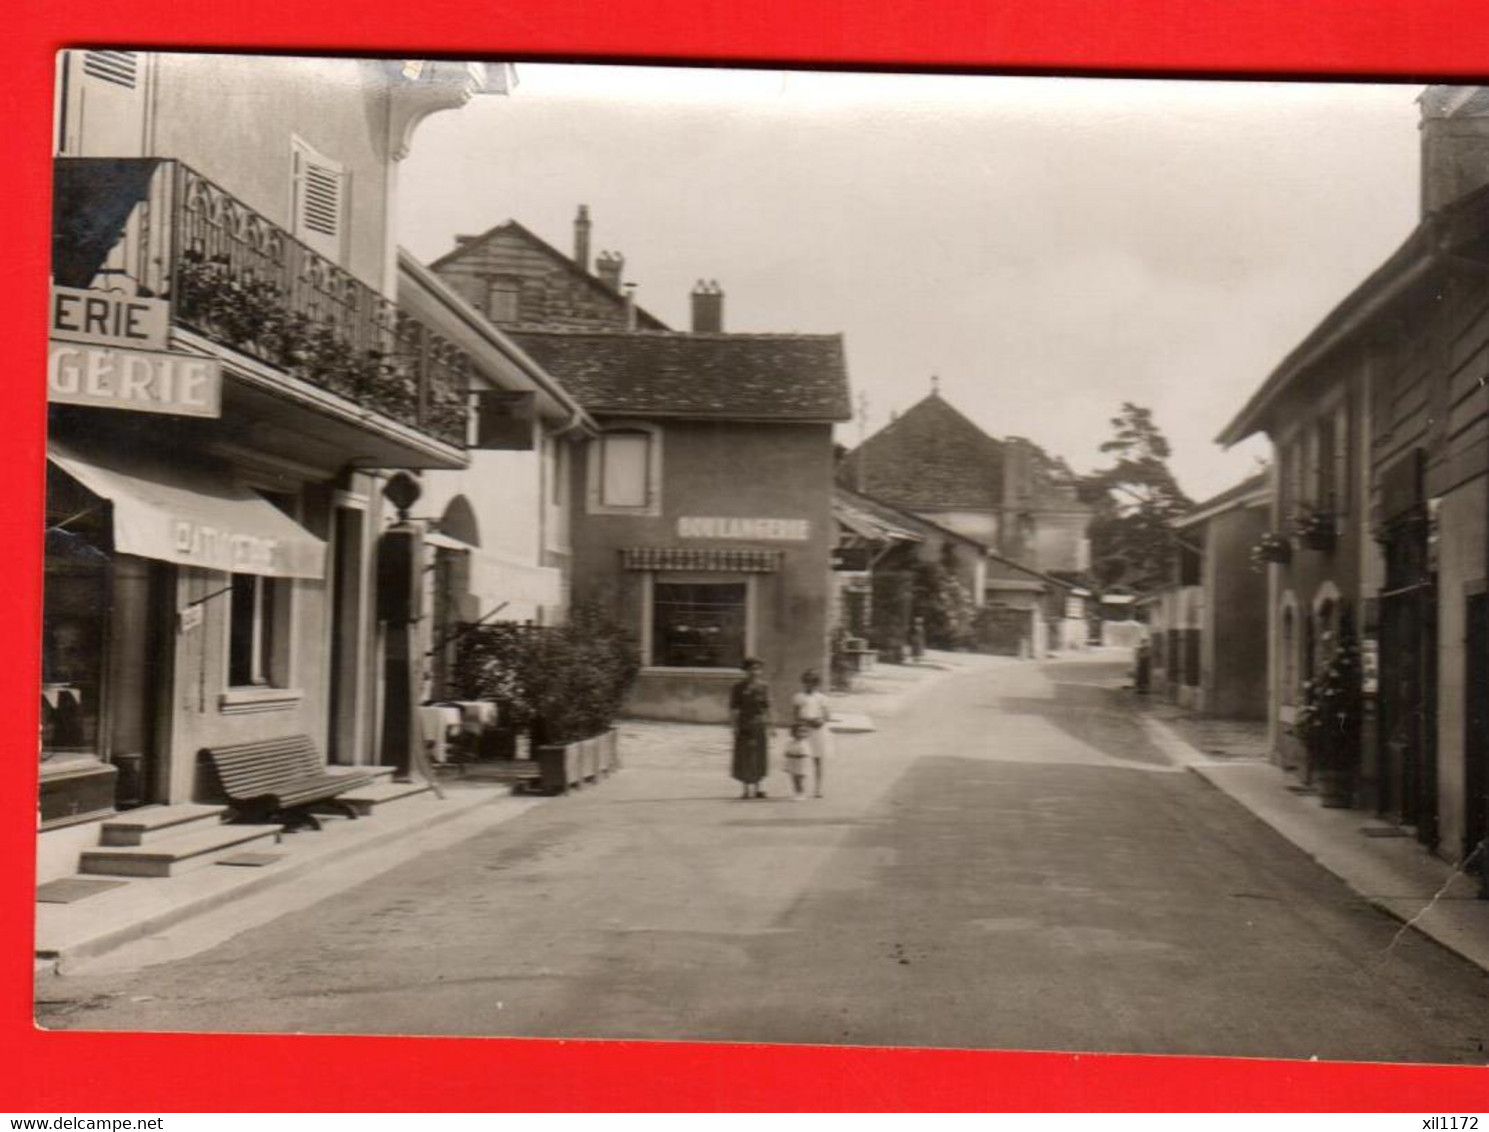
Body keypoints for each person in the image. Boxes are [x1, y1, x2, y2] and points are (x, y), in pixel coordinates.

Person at [729, 657, 773, 799]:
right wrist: (734, 726)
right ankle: (746, 789)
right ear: (745, 671)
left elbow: (767, 708)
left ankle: (759, 788)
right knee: (745, 756)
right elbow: (734, 709)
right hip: (744, 724)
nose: (755, 672)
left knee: (759, 755)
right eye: (751, 669)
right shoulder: (738, 687)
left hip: (759, 724)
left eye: (757, 669)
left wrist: (771, 725)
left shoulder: (764, 687)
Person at [791, 668, 832, 798]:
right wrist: (808, 721)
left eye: (813, 682)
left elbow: (827, 715)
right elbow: (796, 716)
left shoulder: (822, 698)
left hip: (818, 732)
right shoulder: (798, 697)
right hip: (804, 731)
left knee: (817, 760)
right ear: (803, 682)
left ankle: (818, 789)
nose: (810, 684)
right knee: (802, 759)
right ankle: (800, 789)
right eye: (807, 682)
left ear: (817, 683)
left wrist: (820, 720)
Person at [782, 723, 812, 800]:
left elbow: (805, 754)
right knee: (794, 779)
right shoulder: (789, 742)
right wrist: (789, 754)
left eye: (803, 732)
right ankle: (796, 793)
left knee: (800, 780)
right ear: (793, 733)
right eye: (798, 731)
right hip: (793, 764)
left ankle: (802, 794)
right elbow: (786, 752)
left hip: (802, 764)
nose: (800, 734)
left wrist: (795, 755)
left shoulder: (804, 743)